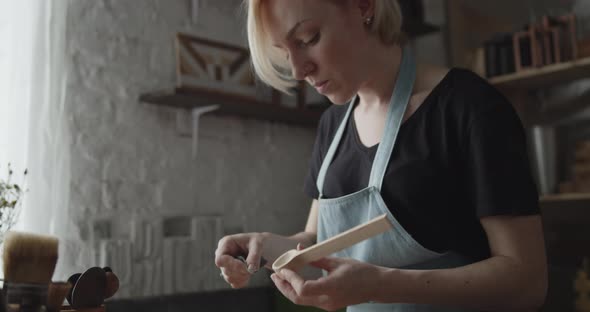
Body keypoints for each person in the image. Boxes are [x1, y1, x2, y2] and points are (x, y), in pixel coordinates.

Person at [214, 0, 548, 311]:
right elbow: (316, 242)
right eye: (284, 52)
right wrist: (264, 247)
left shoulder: (468, 107)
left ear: (364, 6)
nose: (299, 70)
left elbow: (528, 281)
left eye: (308, 38)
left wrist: (381, 285)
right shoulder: (333, 125)